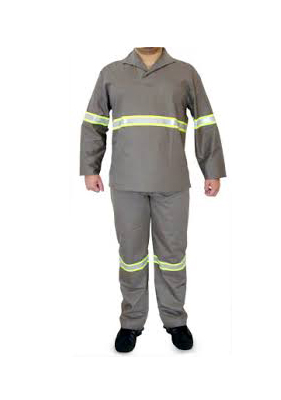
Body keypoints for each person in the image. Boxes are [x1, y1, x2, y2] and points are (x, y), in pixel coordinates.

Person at [80, 47, 226, 352]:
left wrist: (211, 170)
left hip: (172, 180)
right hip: (127, 181)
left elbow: (205, 121)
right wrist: (90, 168)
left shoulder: (184, 72)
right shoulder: (111, 73)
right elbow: (93, 123)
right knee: (131, 256)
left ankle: (175, 320)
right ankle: (131, 323)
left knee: (173, 256)